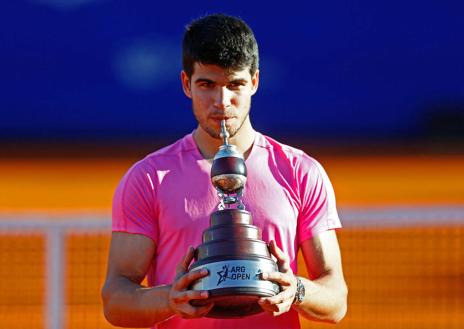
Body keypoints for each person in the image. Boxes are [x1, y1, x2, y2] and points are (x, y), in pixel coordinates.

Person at [101, 13, 348, 329]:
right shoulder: (149, 178)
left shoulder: (301, 173)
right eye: (207, 84)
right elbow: (116, 300)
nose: (222, 101)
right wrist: (169, 299)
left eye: (235, 84)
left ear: (255, 82)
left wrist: (295, 290)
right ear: (186, 84)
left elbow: (336, 299)